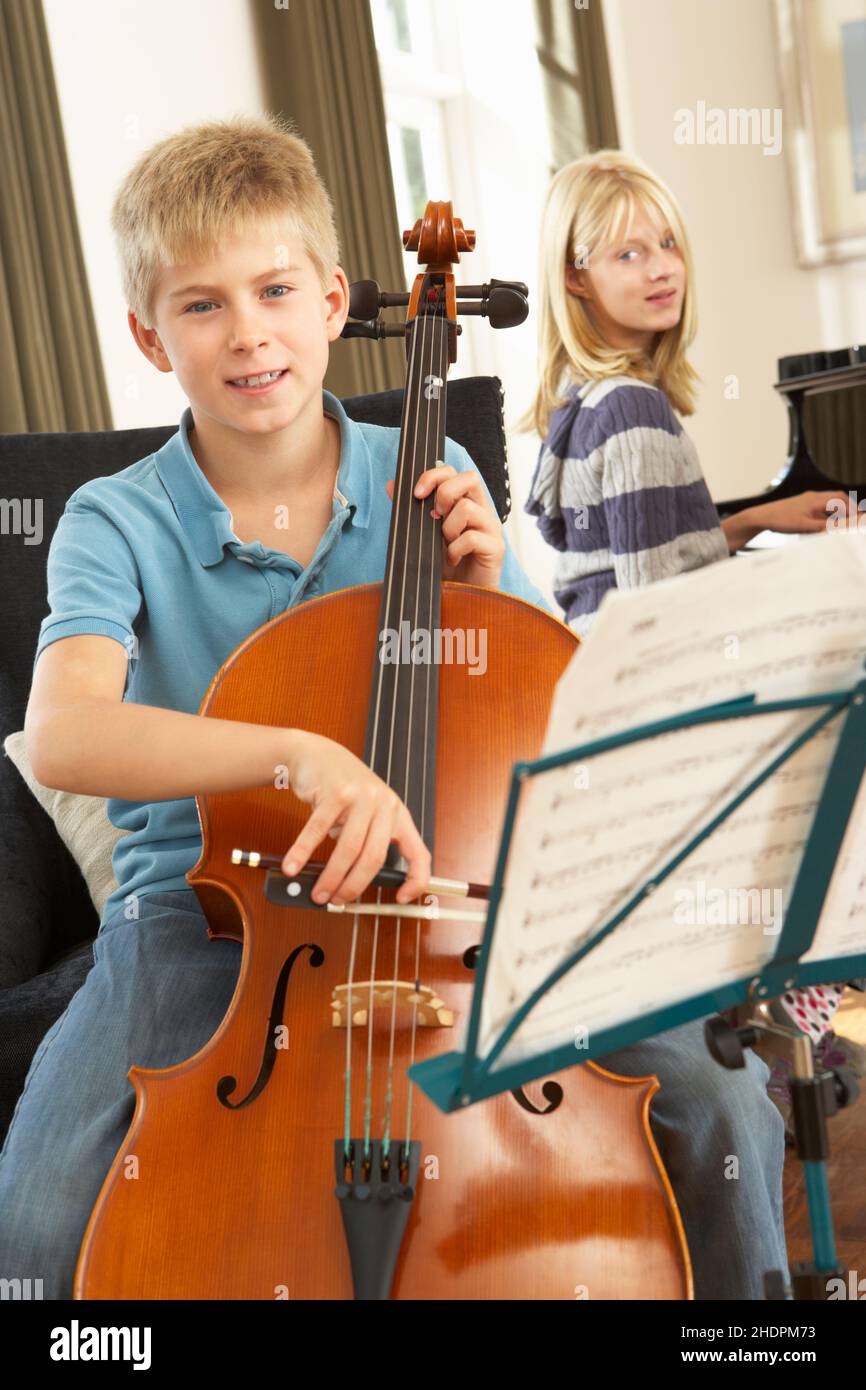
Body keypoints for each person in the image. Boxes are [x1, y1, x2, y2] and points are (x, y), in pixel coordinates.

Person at [0, 113, 550, 1300]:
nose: (247, 333)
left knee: (712, 1095)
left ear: (335, 298)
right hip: (196, 919)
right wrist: (299, 755)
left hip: (432, 899)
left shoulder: (430, 483)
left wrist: (485, 603)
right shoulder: (113, 518)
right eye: (200, 306)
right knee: (35, 1220)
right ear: (149, 337)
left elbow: (557, 715)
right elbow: (64, 731)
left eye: (274, 289)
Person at [518, 148, 860, 1297]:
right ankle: (801, 1017)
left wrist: (755, 518)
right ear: (575, 278)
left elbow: (625, 569)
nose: (658, 268)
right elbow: (672, 634)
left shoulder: (578, 412)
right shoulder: (635, 411)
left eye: (663, 243)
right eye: (625, 251)